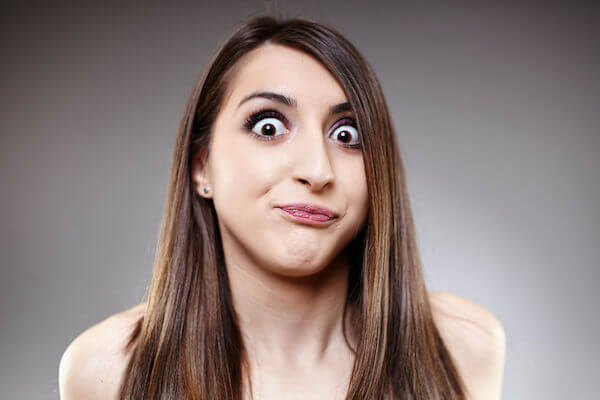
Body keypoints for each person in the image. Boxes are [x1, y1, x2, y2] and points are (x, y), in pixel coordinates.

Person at [58, 15, 506, 400]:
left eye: (347, 135)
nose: (317, 169)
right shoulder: (106, 371)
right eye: (269, 126)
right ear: (202, 168)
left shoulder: (463, 345)